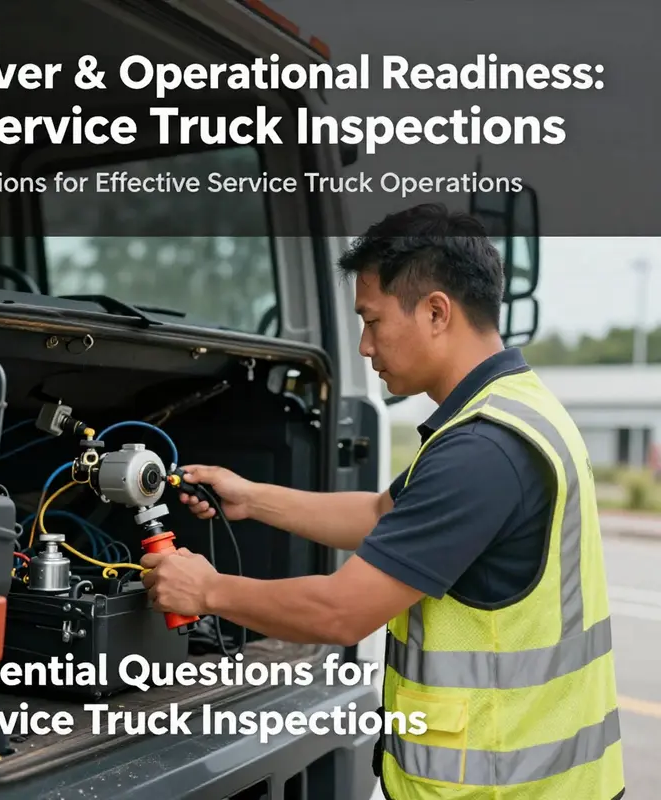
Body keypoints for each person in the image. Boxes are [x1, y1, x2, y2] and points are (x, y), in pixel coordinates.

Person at [140, 204, 625, 800]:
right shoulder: (511, 410)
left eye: (371, 321)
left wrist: (207, 591)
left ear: (436, 311)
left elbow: (341, 614)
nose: (365, 346)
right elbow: (380, 516)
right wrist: (254, 498)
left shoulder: (481, 450)